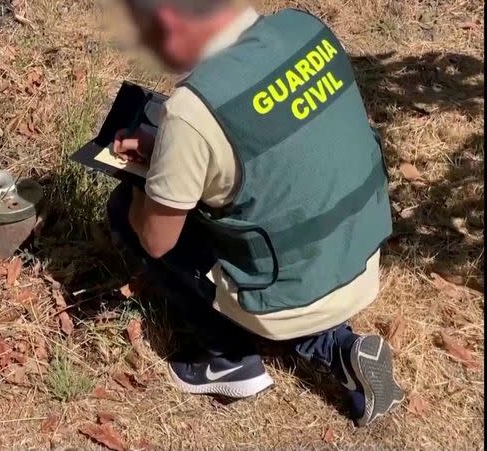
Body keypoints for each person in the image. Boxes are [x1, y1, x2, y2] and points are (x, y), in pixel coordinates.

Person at [107, 0, 404, 426]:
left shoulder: (193, 112)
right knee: (272, 212)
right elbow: (277, 154)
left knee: (126, 211)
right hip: (356, 253)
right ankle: (339, 347)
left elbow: (157, 240)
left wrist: (146, 186)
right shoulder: (308, 31)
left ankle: (227, 358)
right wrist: (170, 153)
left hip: (285, 289)